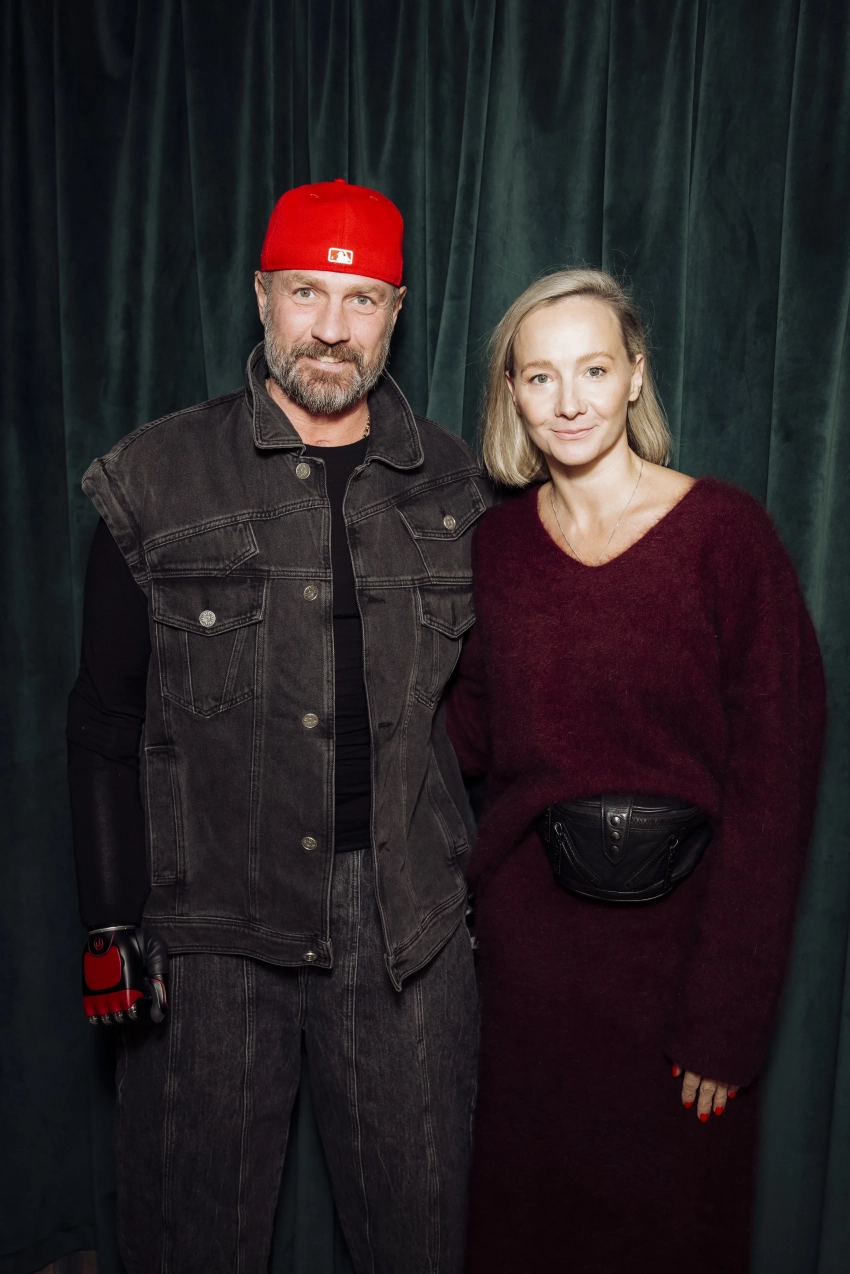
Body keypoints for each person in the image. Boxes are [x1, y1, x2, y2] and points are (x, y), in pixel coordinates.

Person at [67, 178, 490, 1274]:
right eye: (306, 292)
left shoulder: (461, 487)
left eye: (361, 300)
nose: (332, 328)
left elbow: (496, 718)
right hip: (207, 923)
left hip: (403, 928)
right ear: (261, 296)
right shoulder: (155, 477)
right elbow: (103, 721)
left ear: (396, 312)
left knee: (421, 1241)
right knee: (188, 1241)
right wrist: (109, 925)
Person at [446, 268, 825, 1274]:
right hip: (531, 975)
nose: (568, 400)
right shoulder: (495, 548)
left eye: (594, 369)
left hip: (680, 972)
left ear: (635, 375)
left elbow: (776, 785)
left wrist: (727, 1016)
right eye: (540, 376)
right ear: (512, 393)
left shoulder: (726, 536)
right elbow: (464, 736)